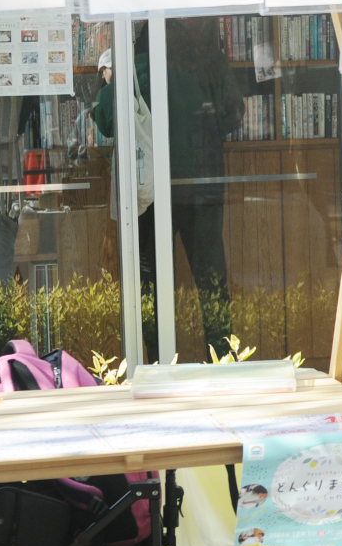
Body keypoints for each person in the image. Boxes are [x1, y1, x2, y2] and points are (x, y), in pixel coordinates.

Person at [95, 18, 247, 355]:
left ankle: (157, 359)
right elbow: (231, 113)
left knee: (150, 280)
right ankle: (222, 356)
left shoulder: (134, 70)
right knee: (211, 278)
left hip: (151, 192)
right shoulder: (206, 65)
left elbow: (106, 121)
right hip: (201, 183)